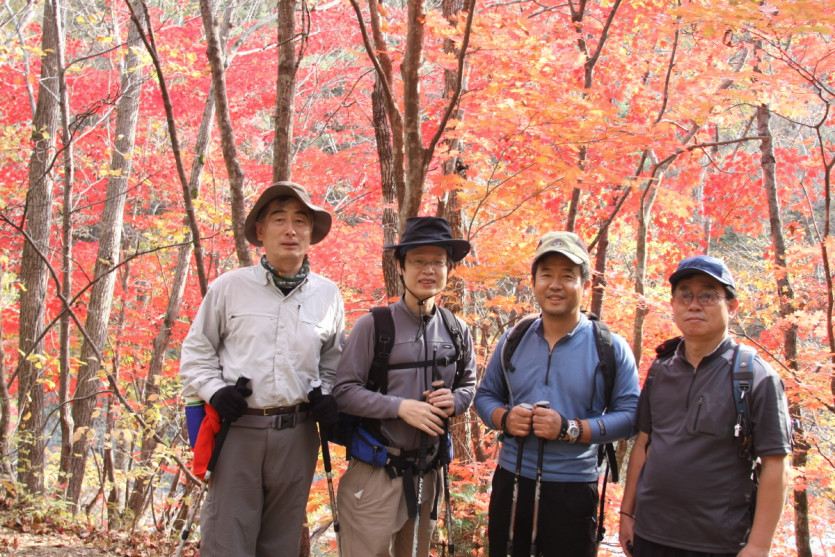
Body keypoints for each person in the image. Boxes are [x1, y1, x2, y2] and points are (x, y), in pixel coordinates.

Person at [179, 182, 345, 557]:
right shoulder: (229, 288)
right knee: (227, 539)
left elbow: (333, 363)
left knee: (281, 543)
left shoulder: (328, 295)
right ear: (260, 231)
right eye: (279, 220)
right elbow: (196, 351)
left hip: (299, 434)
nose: (291, 230)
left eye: (300, 221)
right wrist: (214, 391)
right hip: (238, 429)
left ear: (310, 233)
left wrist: (328, 395)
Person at [474, 231, 640, 557]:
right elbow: (485, 396)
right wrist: (505, 419)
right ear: (533, 281)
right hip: (512, 482)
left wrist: (571, 429)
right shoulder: (513, 339)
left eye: (567, 275)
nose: (555, 284)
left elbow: (632, 415)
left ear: (585, 285)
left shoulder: (609, 347)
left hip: (574, 491)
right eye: (546, 274)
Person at [618, 255, 792, 557]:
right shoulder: (661, 369)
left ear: (732, 306)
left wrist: (759, 546)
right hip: (650, 536)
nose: (694, 304)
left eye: (708, 295)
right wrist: (627, 514)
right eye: (685, 294)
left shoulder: (755, 378)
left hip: (718, 544)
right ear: (673, 304)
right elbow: (644, 443)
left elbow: (776, 464)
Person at [333, 216, 477, 557]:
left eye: (438, 262)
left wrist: (454, 400)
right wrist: (400, 407)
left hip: (428, 475)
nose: (428, 270)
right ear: (400, 266)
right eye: (418, 261)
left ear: (449, 269)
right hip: (376, 473)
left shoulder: (457, 330)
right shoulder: (375, 326)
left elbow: (470, 386)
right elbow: (344, 391)